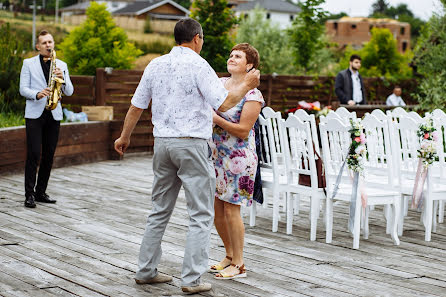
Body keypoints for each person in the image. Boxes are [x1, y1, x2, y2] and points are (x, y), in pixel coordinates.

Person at [113, 18, 260, 294]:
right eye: (201, 40)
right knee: (200, 214)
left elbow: (136, 106)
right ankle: (192, 280)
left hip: (162, 145)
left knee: (158, 211)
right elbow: (225, 102)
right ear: (196, 38)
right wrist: (248, 83)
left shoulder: (155, 64)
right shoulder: (198, 65)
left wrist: (124, 137)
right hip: (191, 145)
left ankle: (146, 271)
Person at [209, 43, 264, 280]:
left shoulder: (253, 94)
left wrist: (215, 119)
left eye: (238, 56)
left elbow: (243, 130)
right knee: (217, 211)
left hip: (239, 160)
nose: (232, 58)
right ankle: (229, 255)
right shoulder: (220, 85)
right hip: (217, 157)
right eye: (231, 54)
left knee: (232, 210)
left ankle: (240, 264)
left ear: (249, 65)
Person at [19, 30, 74, 208]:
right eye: (44, 43)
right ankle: (29, 195)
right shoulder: (28, 63)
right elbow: (22, 89)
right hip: (35, 114)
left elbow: (70, 92)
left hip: (54, 113)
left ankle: (41, 192)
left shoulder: (62, 64)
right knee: (34, 153)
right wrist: (37, 93)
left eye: (50, 42)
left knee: (49, 155)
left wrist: (62, 78)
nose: (48, 45)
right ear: (37, 46)